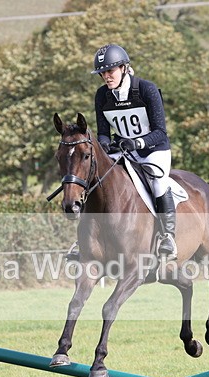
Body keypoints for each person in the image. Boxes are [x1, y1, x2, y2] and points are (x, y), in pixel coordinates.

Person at [66, 43, 177, 261]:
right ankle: (85, 240)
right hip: (123, 151)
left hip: (154, 151)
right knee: (96, 180)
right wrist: (105, 145)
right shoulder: (102, 96)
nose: (106, 77)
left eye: (110, 71)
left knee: (158, 183)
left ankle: (167, 237)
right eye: (102, 73)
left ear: (124, 68)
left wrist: (137, 143)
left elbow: (161, 133)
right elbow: (104, 133)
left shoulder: (146, 89)